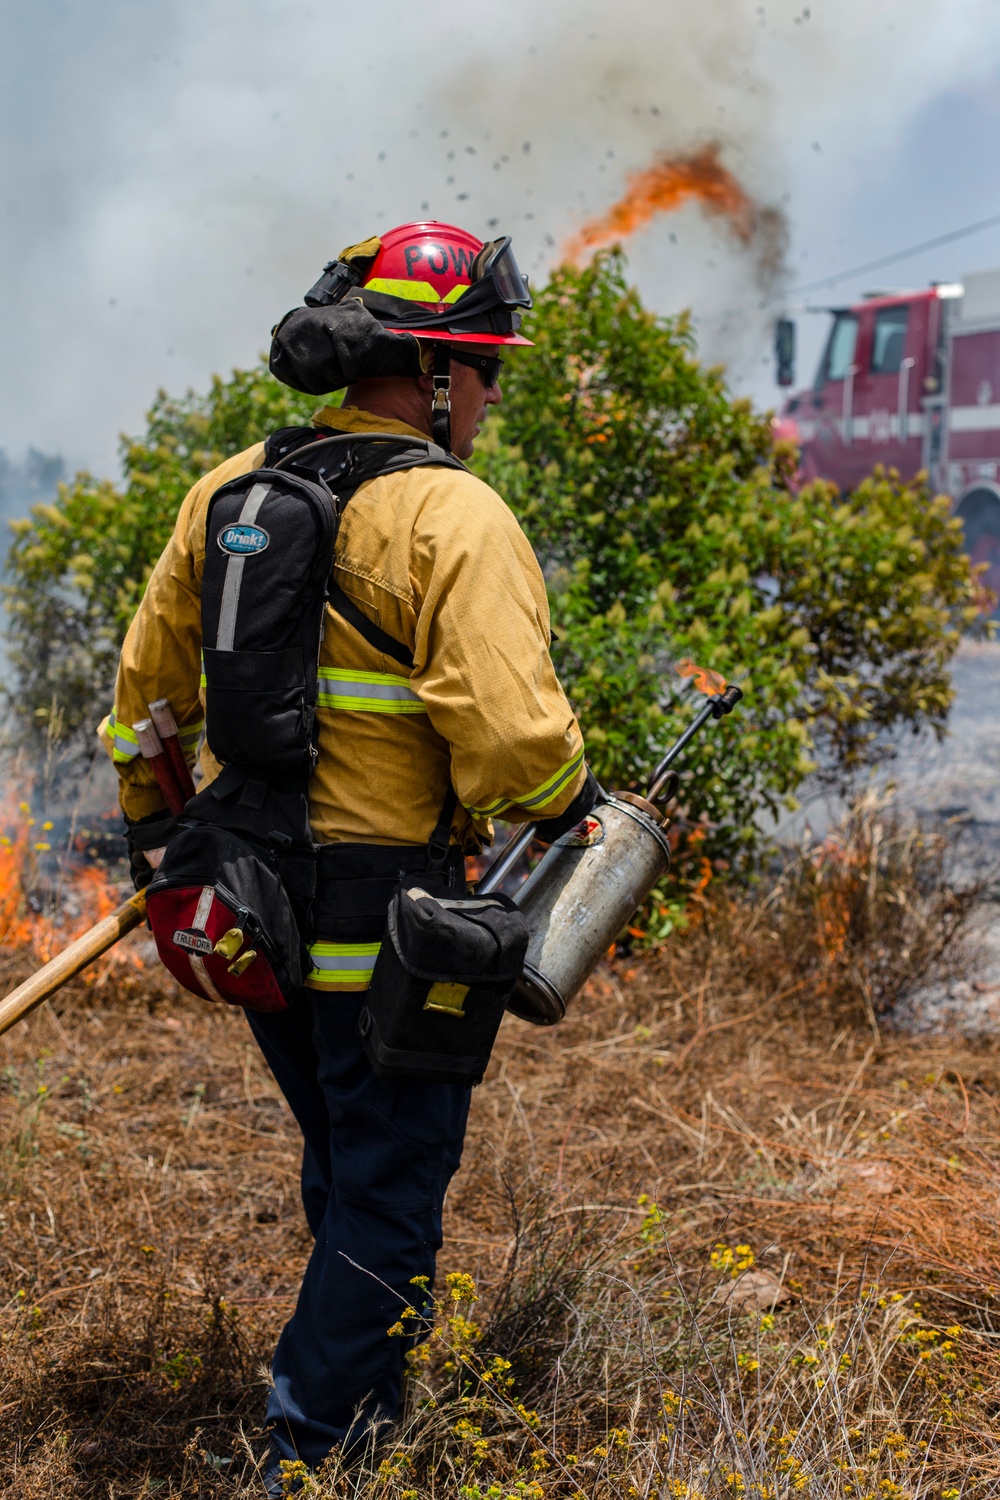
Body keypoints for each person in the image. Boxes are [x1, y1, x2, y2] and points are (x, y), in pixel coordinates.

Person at [99, 220, 599, 1490]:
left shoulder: (227, 491)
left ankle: (354, 1404)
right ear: (435, 373)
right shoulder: (453, 513)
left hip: (252, 913)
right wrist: (573, 802)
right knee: (387, 1190)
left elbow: (141, 700)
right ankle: (313, 1451)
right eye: (484, 370)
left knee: (345, 1162)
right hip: (397, 923)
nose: (489, 395)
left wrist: (161, 837)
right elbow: (516, 757)